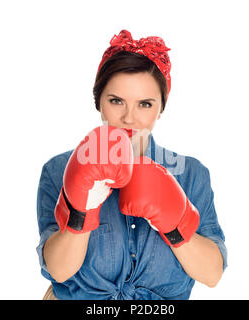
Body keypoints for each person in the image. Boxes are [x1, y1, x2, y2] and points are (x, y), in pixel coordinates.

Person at [36, 29, 228, 300]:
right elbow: (59, 271)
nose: (129, 118)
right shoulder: (59, 169)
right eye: (116, 101)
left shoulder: (191, 173)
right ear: (99, 102)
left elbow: (212, 275)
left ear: (161, 108)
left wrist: (174, 225)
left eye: (145, 104)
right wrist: (81, 209)